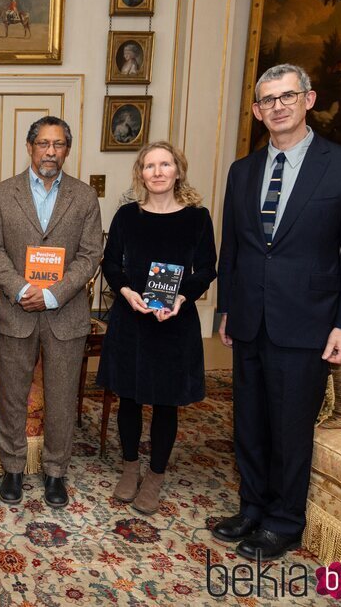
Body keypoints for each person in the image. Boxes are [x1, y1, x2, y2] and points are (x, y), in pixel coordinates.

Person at [213, 63, 341, 560]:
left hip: (308, 322)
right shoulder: (243, 171)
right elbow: (235, 249)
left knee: (289, 424)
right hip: (249, 318)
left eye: (287, 96)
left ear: (309, 99)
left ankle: (284, 521)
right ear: (258, 112)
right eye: (267, 101)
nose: (277, 106)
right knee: (250, 421)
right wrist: (225, 308)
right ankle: (252, 508)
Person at [0, 116, 103, 508]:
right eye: (44, 144)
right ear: (30, 147)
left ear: (68, 149)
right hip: (15, 312)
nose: (51, 151)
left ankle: (55, 473)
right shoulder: (2, 193)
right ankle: (13, 469)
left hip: (65, 314)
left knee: (63, 396)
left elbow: (90, 255)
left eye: (59, 144)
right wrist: (21, 289)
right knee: (13, 394)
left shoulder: (84, 197)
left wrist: (52, 294)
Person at [96, 141, 216, 515]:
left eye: (165, 164)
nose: (158, 171)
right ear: (141, 174)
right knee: (128, 396)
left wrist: (182, 298)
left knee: (166, 402)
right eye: (150, 166)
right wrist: (127, 292)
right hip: (131, 317)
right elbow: (111, 262)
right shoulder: (127, 216)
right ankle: (130, 467)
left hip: (174, 322)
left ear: (178, 170)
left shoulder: (197, 217)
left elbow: (207, 268)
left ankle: (156, 475)